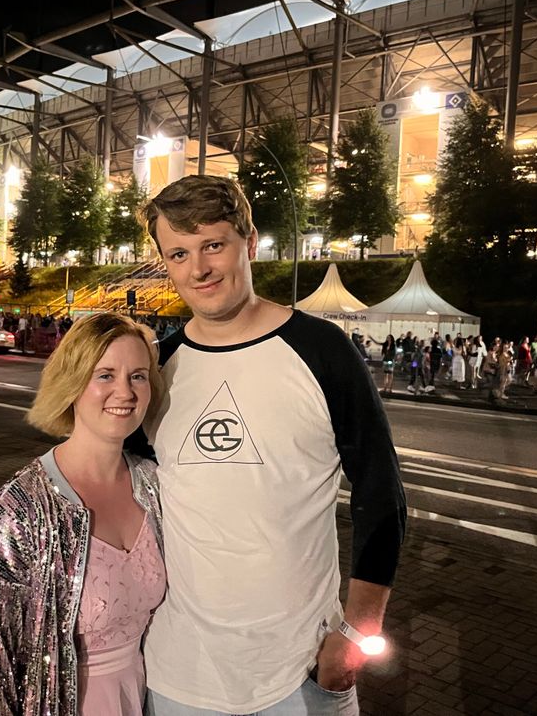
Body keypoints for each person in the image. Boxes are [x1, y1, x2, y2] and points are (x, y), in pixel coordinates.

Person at [139, 175, 407, 716]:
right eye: (179, 253)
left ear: (250, 243)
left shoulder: (321, 350)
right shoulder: (155, 368)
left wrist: (356, 634)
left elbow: (381, 496)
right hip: (178, 676)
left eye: (213, 245)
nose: (198, 269)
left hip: (301, 673)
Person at [0, 313, 166, 715]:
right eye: (104, 375)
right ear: (72, 384)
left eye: (138, 376)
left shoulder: (153, 484)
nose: (125, 391)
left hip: (145, 696)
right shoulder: (25, 504)